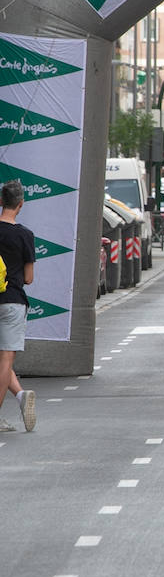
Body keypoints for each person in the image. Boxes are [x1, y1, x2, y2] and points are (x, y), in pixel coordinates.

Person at [0, 180, 36, 433]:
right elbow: (28, 278)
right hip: (12, 300)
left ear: (1, 202)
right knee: (5, 359)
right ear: (21, 204)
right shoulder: (24, 235)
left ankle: (21, 395)